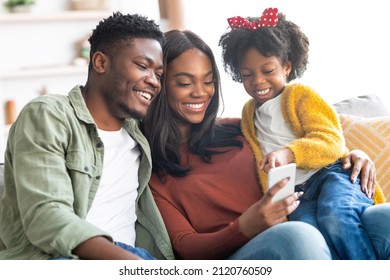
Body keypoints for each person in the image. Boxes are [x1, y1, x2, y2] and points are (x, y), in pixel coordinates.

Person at [143, 29, 388, 260]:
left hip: (302, 218)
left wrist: (353, 154)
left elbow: (309, 137)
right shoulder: (153, 172)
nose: (201, 93)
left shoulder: (242, 128)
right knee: (300, 236)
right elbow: (185, 245)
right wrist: (245, 227)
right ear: (160, 85)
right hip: (246, 250)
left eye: (208, 81)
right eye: (185, 83)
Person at [0, 12, 174, 260]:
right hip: (62, 259)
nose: (154, 81)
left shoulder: (140, 135)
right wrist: (131, 264)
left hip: (137, 257)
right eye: (142, 66)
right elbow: (47, 216)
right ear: (101, 63)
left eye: (158, 74)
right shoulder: (49, 114)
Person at [218, 7, 389, 259]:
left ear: (286, 67)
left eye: (267, 70)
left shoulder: (300, 96)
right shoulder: (248, 113)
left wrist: (289, 153)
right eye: (247, 74)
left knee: (336, 216)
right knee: (309, 238)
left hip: (331, 175)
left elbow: (331, 141)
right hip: (297, 194)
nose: (258, 81)